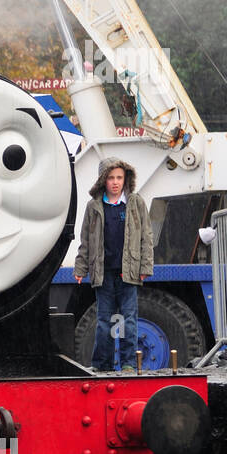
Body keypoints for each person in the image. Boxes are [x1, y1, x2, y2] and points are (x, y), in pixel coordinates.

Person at [73, 158, 154, 372]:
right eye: (110, 178)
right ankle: (102, 364)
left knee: (129, 321)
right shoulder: (94, 207)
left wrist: (145, 267)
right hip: (103, 273)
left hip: (128, 272)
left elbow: (146, 236)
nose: (115, 182)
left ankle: (128, 363)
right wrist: (81, 268)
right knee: (104, 322)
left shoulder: (135, 203)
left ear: (125, 179)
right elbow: (86, 240)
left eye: (119, 177)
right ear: (103, 181)